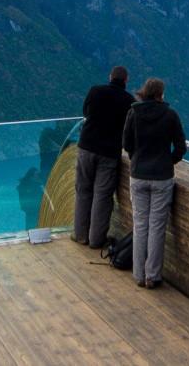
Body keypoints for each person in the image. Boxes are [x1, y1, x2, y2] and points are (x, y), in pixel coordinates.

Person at [122, 78, 185, 289]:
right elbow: (180, 146)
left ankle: (138, 275)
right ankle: (152, 276)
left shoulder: (133, 113)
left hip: (138, 175)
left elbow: (126, 143)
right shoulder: (170, 115)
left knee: (140, 225)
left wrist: (136, 159)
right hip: (162, 177)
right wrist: (169, 161)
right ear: (160, 94)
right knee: (157, 226)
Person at [73, 66, 134, 248]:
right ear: (126, 80)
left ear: (110, 77)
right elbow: (128, 128)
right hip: (109, 153)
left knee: (83, 191)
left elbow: (86, 112)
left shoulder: (96, 91)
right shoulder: (129, 101)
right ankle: (96, 240)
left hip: (87, 147)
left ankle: (80, 235)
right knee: (102, 195)